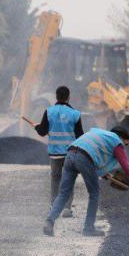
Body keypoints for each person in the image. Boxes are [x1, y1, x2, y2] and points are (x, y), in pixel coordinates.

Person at [44, 126, 129, 237]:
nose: (124, 147)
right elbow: (128, 168)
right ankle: (88, 228)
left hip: (70, 154)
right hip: (84, 159)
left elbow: (95, 155)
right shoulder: (117, 142)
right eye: (126, 144)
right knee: (94, 193)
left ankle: (49, 222)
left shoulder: (98, 133)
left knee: (63, 193)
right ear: (122, 138)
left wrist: (104, 174)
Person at [35, 86, 85, 218]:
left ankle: (54, 205)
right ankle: (67, 208)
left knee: (55, 178)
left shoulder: (49, 111)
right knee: (69, 179)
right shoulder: (75, 114)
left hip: (55, 153)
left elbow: (42, 132)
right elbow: (80, 135)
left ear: (56, 97)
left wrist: (36, 127)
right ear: (69, 97)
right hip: (70, 153)